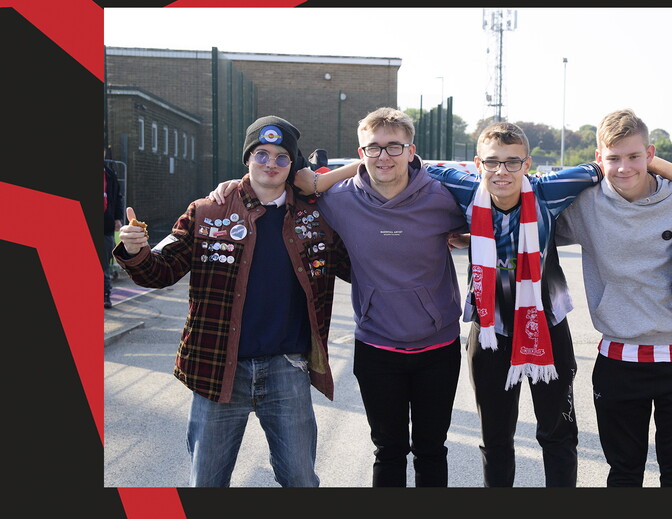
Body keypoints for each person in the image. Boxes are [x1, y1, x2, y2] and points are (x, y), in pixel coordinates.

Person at [424, 121, 672, 487]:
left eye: (513, 162)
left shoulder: (550, 191)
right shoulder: (464, 188)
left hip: (547, 327)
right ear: (477, 163)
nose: (502, 171)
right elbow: (404, 161)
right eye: (492, 162)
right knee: (496, 439)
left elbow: (617, 161)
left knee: (558, 435)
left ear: (528, 164)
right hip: (489, 331)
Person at [212, 107, 468, 487]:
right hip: (377, 347)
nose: (384, 156)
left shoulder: (442, 198)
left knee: (432, 449)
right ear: (361, 152)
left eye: (394, 147)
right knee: (388, 450)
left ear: (412, 152)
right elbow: (276, 187)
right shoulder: (338, 200)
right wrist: (233, 188)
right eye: (374, 148)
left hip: (438, 346)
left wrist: (465, 237)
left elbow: (492, 215)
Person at [114, 115, 350, 487]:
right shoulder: (207, 210)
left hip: (287, 368)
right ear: (247, 158)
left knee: (300, 479)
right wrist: (135, 251)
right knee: (207, 481)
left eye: (281, 157)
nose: (270, 163)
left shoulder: (316, 217)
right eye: (261, 154)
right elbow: (161, 273)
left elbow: (356, 267)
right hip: (217, 367)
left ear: (293, 166)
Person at [554, 108, 672, 487]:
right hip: (620, 359)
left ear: (651, 154)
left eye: (634, 156)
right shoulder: (584, 204)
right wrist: (471, 236)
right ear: (598, 157)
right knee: (623, 473)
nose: (624, 167)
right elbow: (525, 226)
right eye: (614, 158)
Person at [103, 154, 123, 309]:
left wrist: (117, 218)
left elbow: (117, 198)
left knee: (103, 264)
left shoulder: (109, 174)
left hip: (106, 226)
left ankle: (105, 295)